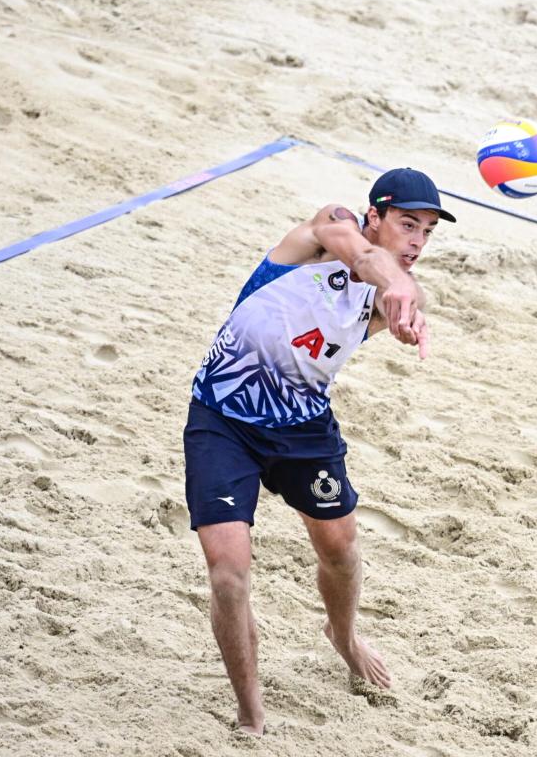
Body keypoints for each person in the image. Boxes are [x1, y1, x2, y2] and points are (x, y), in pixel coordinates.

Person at [183, 167, 455, 735]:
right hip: (222, 418)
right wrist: (396, 284)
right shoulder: (327, 231)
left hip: (303, 427)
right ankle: (250, 709)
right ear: (374, 216)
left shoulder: (390, 295)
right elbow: (361, 255)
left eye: (428, 231)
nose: (417, 242)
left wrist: (407, 308)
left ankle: (344, 635)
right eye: (408, 224)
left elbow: (408, 293)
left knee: (340, 550)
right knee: (229, 574)